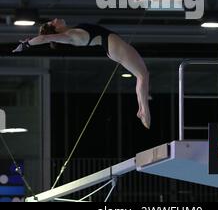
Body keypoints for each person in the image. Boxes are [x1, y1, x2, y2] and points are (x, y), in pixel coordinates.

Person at [13, 18, 151, 129]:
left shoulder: (73, 31)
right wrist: (26, 45)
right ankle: (144, 111)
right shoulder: (69, 36)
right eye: (52, 23)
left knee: (142, 75)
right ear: (55, 29)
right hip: (113, 46)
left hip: (113, 46)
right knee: (142, 76)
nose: (55, 19)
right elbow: (45, 38)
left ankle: (141, 109)